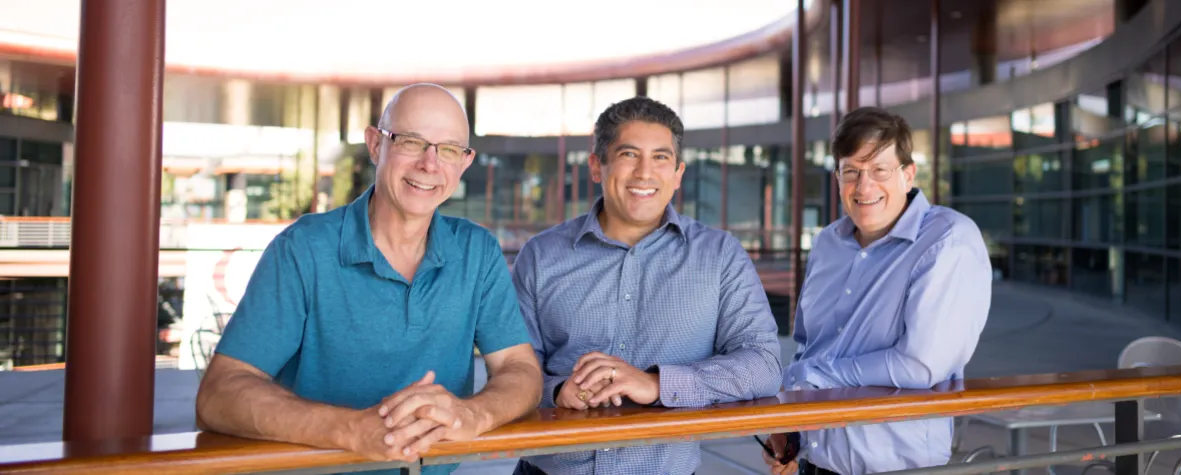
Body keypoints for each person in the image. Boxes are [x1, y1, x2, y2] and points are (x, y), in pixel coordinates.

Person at [195, 84, 543, 475]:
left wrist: (472, 415)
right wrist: (353, 430)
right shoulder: (304, 249)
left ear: (464, 163)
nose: (430, 164)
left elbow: (520, 369)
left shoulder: (477, 251)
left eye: (448, 150)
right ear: (376, 145)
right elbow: (219, 395)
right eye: (412, 142)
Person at [510, 96, 783, 475]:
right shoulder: (540, 257)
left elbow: (763, 365)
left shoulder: (720, 257)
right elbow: (510, 370)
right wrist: (555, 391)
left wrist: (657, 384)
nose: (644, 173)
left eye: (660, 157)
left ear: (678, 173)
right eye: (628, 154)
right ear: (596, 166)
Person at [762, 107, 992, 475]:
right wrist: (794, 430)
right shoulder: (827, 244)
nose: (864, 186)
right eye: (851, 171)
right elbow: (810, 346)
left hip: (900, 468)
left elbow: (920, 365)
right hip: (817, 462)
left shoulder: (948, 240)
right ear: (837, 178)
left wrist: (813, 376)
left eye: (879, 170)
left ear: (908, 174)